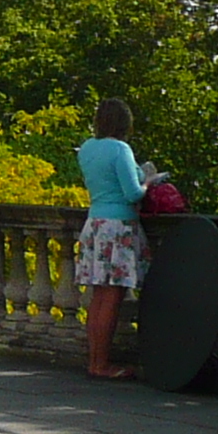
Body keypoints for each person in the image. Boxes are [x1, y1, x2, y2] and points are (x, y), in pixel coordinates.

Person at [74, 98, 154, 381]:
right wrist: (147, 181)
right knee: (112, 298)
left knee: (98, 297)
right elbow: (132, 193)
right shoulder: (121, 149)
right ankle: (102, 364)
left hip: (95, 223)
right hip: (118, 227)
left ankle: (94, 360)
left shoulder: (87, 148)